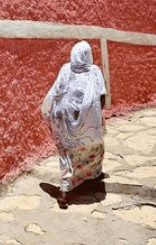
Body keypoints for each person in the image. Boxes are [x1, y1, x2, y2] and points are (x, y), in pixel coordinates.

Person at [41, 41, 107, 208]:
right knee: (95, 147)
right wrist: (93, 118)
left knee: (66, 153)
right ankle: (92, 175)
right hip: (85, 120)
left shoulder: (65, 69)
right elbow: (101, 97)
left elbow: (57, 91)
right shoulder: (94, 72)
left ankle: (64, 193)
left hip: (62, 118)